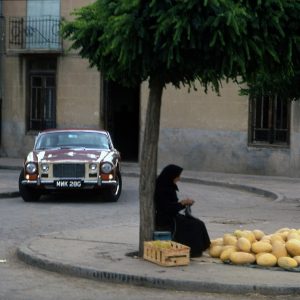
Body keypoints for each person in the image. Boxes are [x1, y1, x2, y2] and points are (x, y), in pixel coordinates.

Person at [154, 164, 211, 257]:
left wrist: (184, 204)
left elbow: (172, 206)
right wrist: (182, 203)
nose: (179, 178)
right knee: (195, 225)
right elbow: (167, 208)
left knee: (198, 223)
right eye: (178, 176)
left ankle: (202, 248)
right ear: (171, 175)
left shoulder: (168, 185)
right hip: (166, 219)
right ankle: (194, 251)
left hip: (171, 215)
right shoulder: (162, 188)